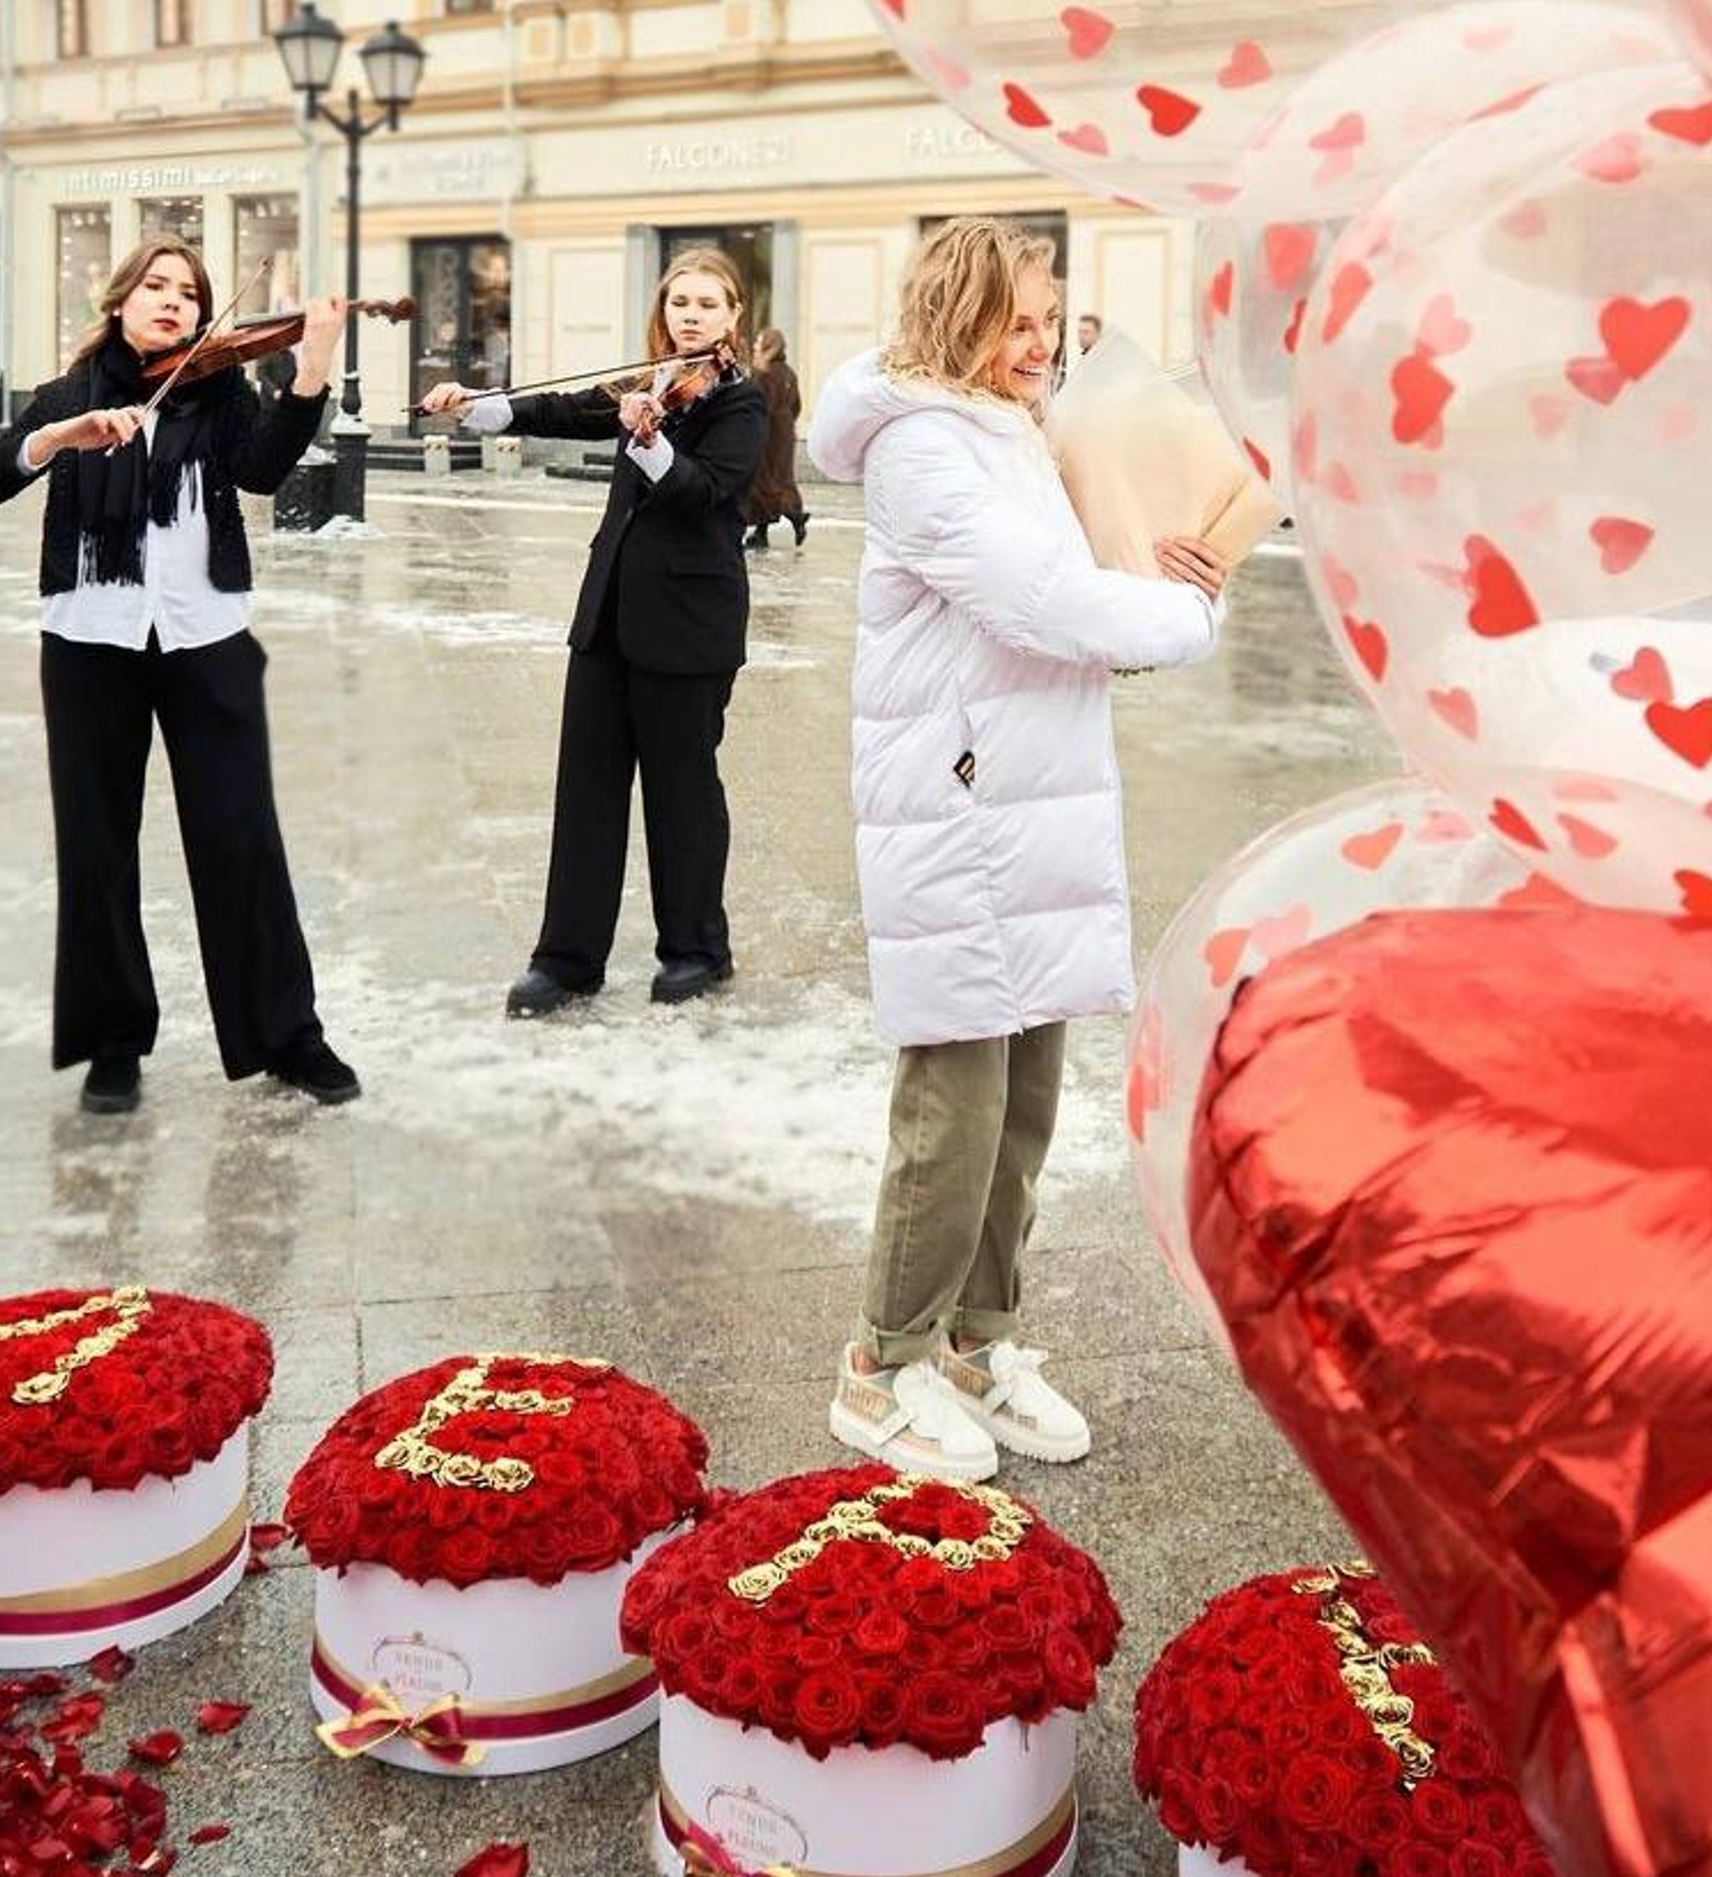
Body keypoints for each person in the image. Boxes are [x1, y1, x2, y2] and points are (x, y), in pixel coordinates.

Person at [808, 217, 1225, 1481]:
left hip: (1029, 792)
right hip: (960, 803)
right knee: (956, 1100)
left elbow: (1081, 587)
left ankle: (976, 1342)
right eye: (1016, 322)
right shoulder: (924, 447)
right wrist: (1184, 616)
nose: (1038, 344)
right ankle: (881, 1364)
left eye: (1049, 321)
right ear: (957, 316)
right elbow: (1034, 601)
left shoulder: (1014, 435)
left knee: (1026, 1092)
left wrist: (1172, 570)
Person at [0, 238, 361, 1115]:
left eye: (189, 292)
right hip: (90, 638)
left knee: (242, 839)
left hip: (205, 634)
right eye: (157, 287)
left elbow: (261, 471)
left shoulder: (219, 391)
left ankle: (288, 1035)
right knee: (98, 846)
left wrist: (312, 362)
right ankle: (113, 1045)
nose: (174, 302)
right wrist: (56, 439)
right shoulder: (67, 396)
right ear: (120, 300)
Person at [425, 246, 766, 1015]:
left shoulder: (741, 402)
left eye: (708, 304)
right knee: (586, 793)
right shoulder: (648, 380)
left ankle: (696, 951)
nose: (691, 315)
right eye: (681, 302)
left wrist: (648, 442)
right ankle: (567, 960)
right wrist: (479, 405)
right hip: (608, 616)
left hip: (689, 628)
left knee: (682, 795)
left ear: (734, 315)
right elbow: (565, 408)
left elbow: (703, 492)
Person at [744, 327, 808, 549]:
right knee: (781, 479)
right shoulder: (789, 373)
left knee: (764, 482)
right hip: (785, 434)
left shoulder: (765, 374)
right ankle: (762, 533)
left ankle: (794, 517)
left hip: (768, 436)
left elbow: (761, 407)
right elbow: (797, 405)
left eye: (759, 342)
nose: (754, 346)